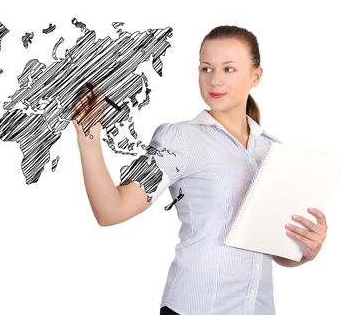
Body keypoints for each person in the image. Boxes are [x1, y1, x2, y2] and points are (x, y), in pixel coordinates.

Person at [71, 25, 328, 315]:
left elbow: (275, 248)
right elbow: (112, 210)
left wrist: (306, 251)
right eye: (206, 68)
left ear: (255, 76)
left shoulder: (273, 151)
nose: (214, 80)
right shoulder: (180, 139)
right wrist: (89, 137)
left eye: (228, 69)